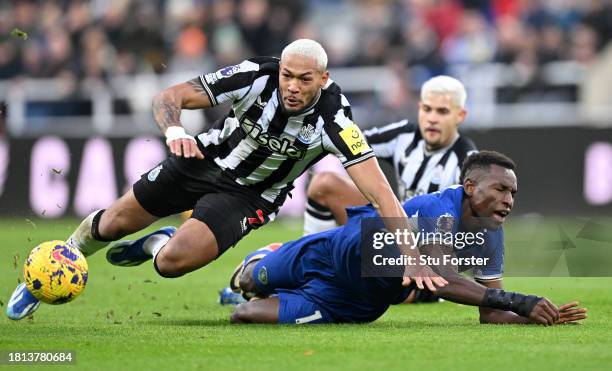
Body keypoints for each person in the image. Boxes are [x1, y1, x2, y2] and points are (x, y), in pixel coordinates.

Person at [6, 39, 445, 321]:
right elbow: (170, 96)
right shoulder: (254, 75)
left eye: (304, 80)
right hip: (201, 159)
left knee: (172, 264)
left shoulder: (335, 121)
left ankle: (157, 243)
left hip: (250, 194)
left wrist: (412, 257)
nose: (292, 86)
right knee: (110, 224)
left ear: (323, 79)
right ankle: (39, 279)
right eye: (287, 76)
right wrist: (175, 130)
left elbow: (382, 194)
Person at [228, 151, 587, 325]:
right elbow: (440, 280)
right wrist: (520, 300)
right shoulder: (440, 207)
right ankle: (264, 258)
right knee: (247, 280)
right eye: (502, 189)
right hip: (326, 252)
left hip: (351, 303)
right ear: (470, 186)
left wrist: (535, 316)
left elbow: (490, 314)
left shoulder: (490, 235)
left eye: (514, 193)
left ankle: (280, 293)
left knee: (244, 315)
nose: (509, 200)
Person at [303, 75, 477, 235]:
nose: (432, 118)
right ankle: (310, 255)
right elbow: (350, 142)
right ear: (419, 108)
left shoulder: (468, 161)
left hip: (429, 246)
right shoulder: (404, 135)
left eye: (442, 112)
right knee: (324, 184)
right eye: (427, 109)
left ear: (460, 115)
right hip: (395, 230)